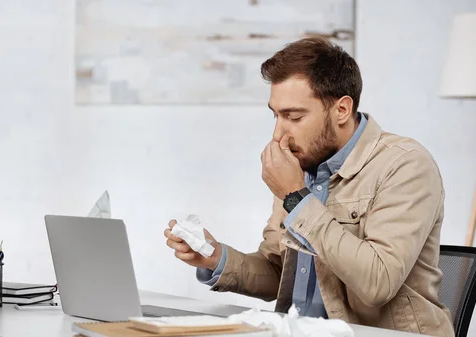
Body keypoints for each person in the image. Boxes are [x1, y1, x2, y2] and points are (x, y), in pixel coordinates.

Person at [164, 37, 455, 337]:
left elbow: (377, 283)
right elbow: (279, 272)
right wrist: (216, 258)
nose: (279, 134)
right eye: (275, 115)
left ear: (342, 109)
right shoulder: (301, 165)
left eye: (294, 116)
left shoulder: (405, 166)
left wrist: (296, 197)